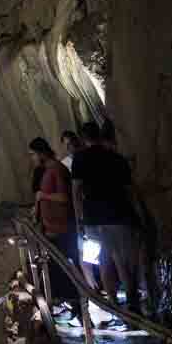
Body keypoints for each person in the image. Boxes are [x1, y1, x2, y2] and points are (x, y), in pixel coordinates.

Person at [71, 120, 144, 315]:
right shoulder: (117, 158)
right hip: (120, 215)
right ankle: (132, 300)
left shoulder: (79, 158)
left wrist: (79, 218)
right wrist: (140, 215)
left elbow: (76, 189)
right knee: (124, 260)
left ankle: (112, 302)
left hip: (93, 219)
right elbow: (130, 191)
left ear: (84, 138)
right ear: (100, 137)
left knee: (103, 260)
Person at [29, 136, 78, 305]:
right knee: (55, 268)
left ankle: (72, 302)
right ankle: (63, 301)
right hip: (51, 230)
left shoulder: (57, 169)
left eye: (33, 154)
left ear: (42, 153)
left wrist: (44, 196)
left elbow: (65, 197)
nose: (32, 158)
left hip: (62, 230)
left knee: (63, 267)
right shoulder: (48, 171)